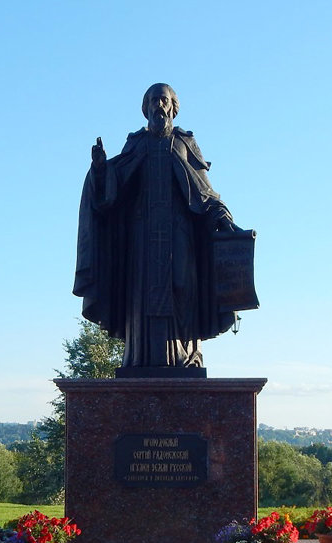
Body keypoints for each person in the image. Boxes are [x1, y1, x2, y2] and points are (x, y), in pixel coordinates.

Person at [73, 83, 240, 371]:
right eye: (152, 101)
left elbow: (204, 191)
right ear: (145, 108)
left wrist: (223, 218)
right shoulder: (136, 144)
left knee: (182, 288)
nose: (157, 106)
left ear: (173, 107)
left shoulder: (185, 142)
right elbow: (110, 194)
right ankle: (140, 358)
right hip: (142, 236)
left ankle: (185, 358)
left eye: (163, 100)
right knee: (142, 296)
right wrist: (100, 169)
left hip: (180, 233)